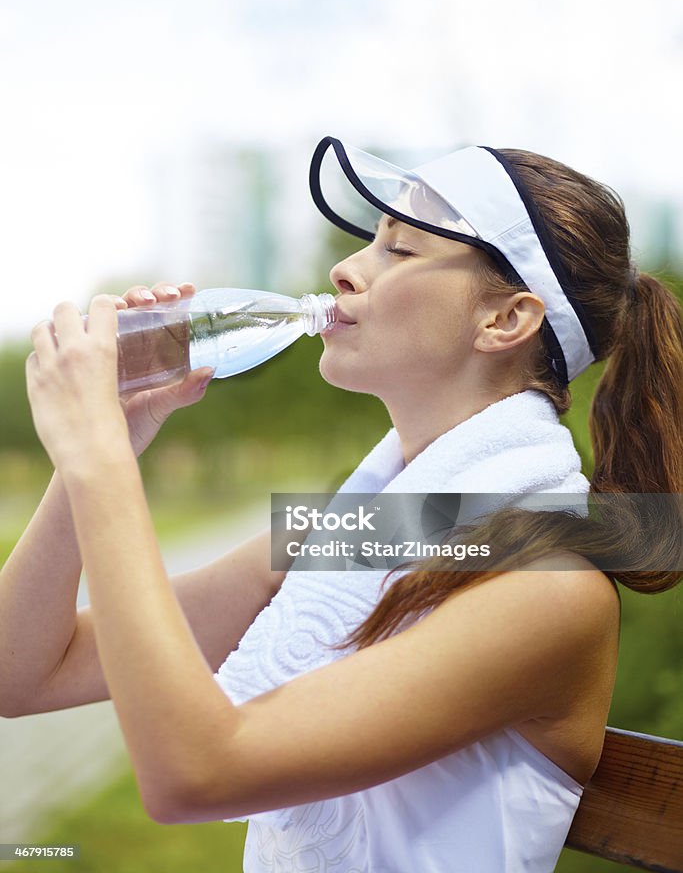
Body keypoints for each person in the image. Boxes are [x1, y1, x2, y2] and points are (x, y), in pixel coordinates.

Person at [1, 137, 681, 873]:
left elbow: (193, 774)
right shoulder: (359, 531)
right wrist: (109, 442)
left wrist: (98, 462)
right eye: (368, 240)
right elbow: (21, 674)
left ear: (504, 321)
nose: (343, 269)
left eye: (401, 248)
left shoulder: (550, 589)